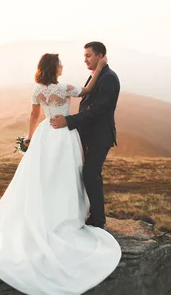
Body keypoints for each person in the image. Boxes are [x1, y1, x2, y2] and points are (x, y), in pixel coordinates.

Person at [0, 50, 121, 295]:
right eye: (60, 63)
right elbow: (88, 91)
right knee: (66, 176)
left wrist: (30, 138)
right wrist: (100, 69)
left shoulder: (37, 90)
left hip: (44, 134)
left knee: (42, 176)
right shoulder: (64, 89)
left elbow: (33, 115)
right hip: (63, 136)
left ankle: (42, 211)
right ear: (55, 67)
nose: (62, 65)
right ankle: (67, 213)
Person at [50, 41, 120, 229]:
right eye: (84, 56)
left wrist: (69, 121)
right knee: (88, 174)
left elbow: (97, 110)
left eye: (88, 56)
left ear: (100, 56)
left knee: (90, 174)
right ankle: (91, 214)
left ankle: (98, 220)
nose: (85, 60)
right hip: (88, 134)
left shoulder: (109, 78)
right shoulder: (98, 76)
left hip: (100, 135)